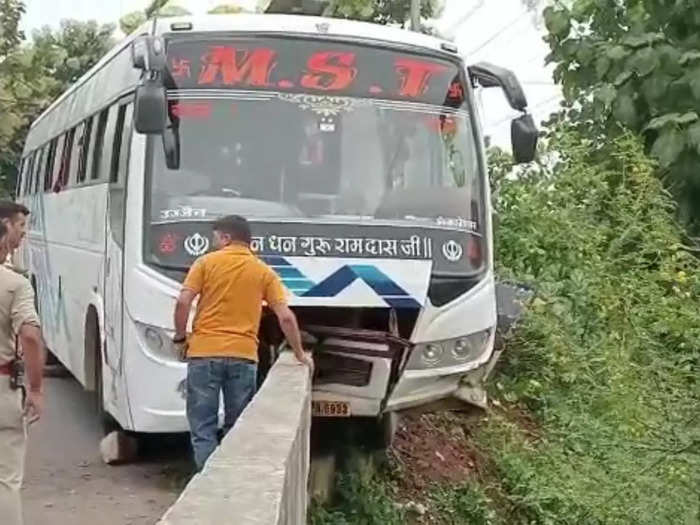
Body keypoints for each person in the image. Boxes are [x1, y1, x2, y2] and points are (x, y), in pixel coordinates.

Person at [173, 215, 313, 470]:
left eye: (216, 238)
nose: (214, 244)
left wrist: (181, 337)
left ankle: (208, 480)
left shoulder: (205, 263)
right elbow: (286, 318)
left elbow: (183, 302)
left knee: (202, 426)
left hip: (203, 353)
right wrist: (300, 352)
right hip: (244, 356)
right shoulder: (263, 272)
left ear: (227, 237)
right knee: (237, 428)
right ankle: (229, 478)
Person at [0, 215, 44, 525]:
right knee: (5, 479)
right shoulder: (14, 284)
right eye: (19, 229)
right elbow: (29, 335)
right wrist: (37, 389)